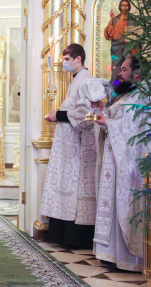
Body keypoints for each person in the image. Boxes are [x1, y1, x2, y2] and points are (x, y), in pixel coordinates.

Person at [40, 44, 97, 249]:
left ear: (78, 59)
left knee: (75, 187)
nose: (64, 63)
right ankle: (62, 235)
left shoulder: (86, 80)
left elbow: (86, 113)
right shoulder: (77, 80)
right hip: (69, 143)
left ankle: (76, 237)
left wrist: (59, 115)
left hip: (78, 145)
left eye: (66, 59)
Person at [93, 56, 148, 271]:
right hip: (116, 160)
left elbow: (135, 130)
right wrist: (103, 113)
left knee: (125, 206)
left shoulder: (143, 96)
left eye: (124, 69)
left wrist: (109, 123)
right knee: (114, 204)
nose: (120, 73)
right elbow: (121, 121)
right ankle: (113, 254)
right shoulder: (129, 94)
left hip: (130, 163)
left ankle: (128, 259)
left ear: (137, 73)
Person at [104, 0, 134, 83]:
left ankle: (127, 84)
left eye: (126, 5)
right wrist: (111, 20)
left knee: (128, 66)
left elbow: (138, 33)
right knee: (116, 67)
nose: (124, 7)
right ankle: (115, 84)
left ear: (129, 7)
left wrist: (130, 40)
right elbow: (109, 34)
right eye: (123, 5)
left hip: (129, 47)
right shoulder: (115, 19)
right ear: (120, 7)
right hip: (116, 48)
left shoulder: (133, 20)